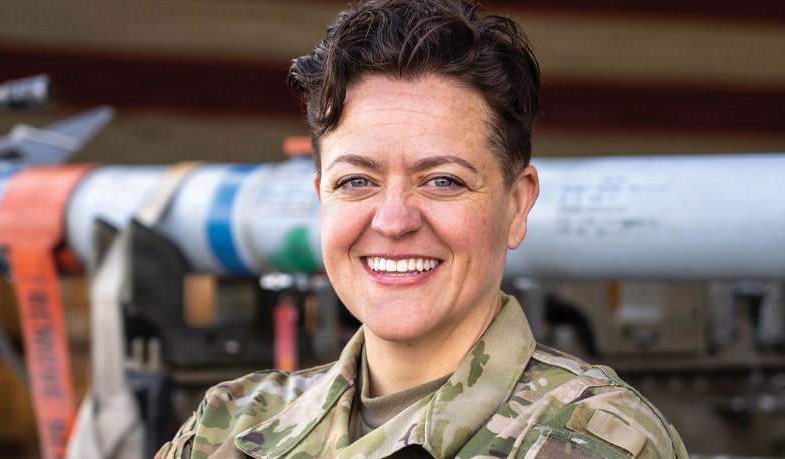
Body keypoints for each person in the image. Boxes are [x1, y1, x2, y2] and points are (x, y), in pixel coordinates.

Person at [156, 0, 688, 457]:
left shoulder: (594, 442)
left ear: (517, 205)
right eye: (356, 181)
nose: (392, 222)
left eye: (442, 181)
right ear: (321, 197)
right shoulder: (230, 427)